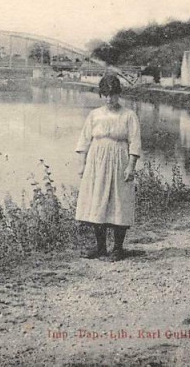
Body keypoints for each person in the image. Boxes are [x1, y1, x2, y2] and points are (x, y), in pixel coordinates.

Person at [75, 73, 142, 261]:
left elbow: (135, 143)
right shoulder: (94, 115)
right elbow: (84, 141)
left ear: (118, 94)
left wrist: (131, 166)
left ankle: (118, 248)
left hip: (119, 161)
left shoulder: (129, 115)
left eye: (112, 95)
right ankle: (101, 247)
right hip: (96, 162)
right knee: (97, 200)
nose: (109, 99)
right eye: (105, 95)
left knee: (119, 201)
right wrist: (82, 164)